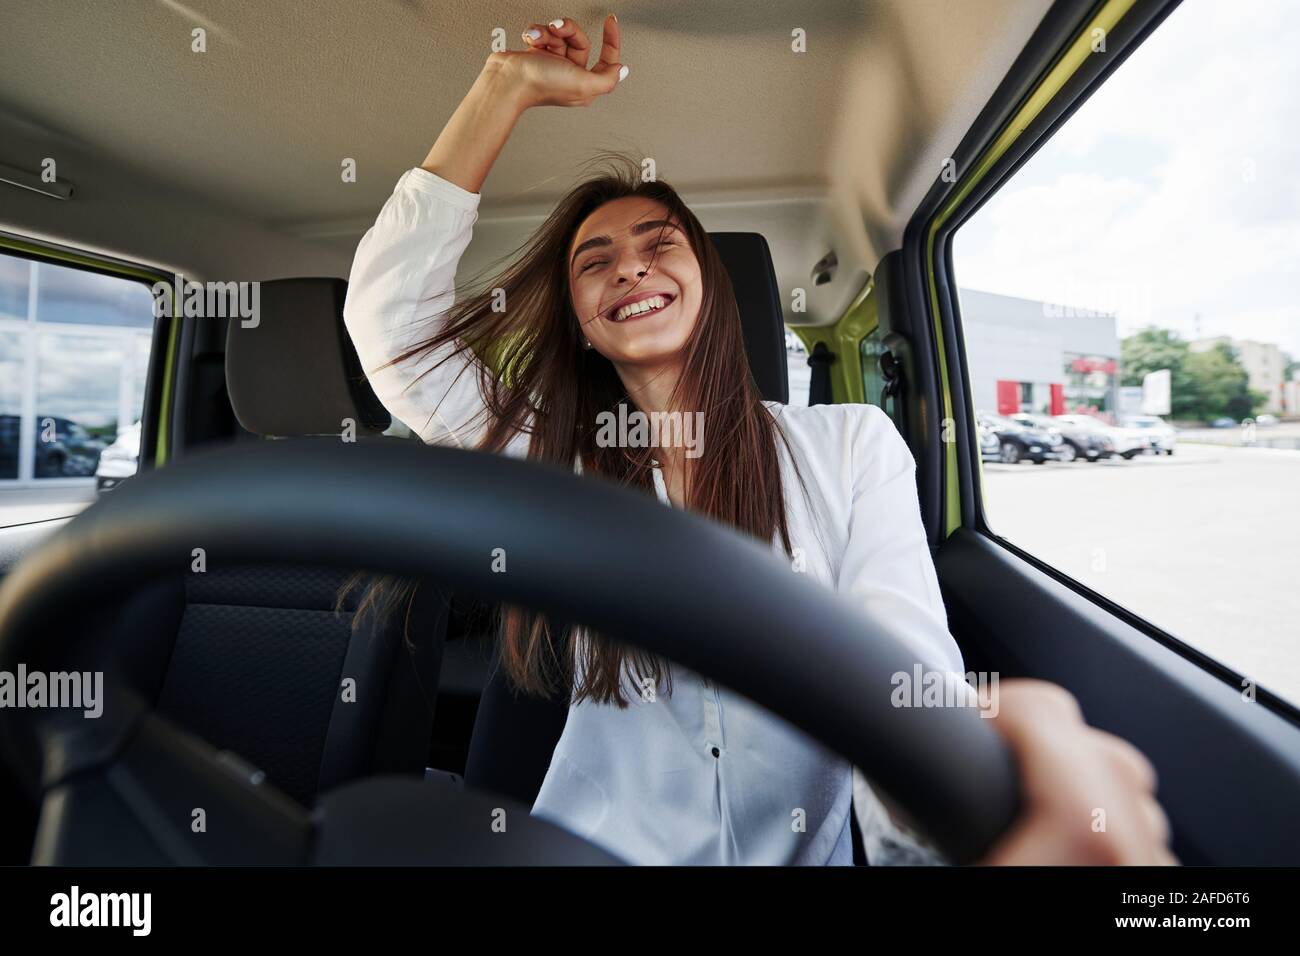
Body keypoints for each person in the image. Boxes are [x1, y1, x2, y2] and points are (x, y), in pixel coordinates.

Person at [341, 14, 1175, 866]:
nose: (629, 268)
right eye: (595, 262)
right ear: (585, 327)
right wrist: (502, 88)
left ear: (710, 286)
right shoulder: (556, 460)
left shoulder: (852, 446)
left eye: (658, 245)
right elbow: (388, 321)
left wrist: (958, 795)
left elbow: (902, 665)